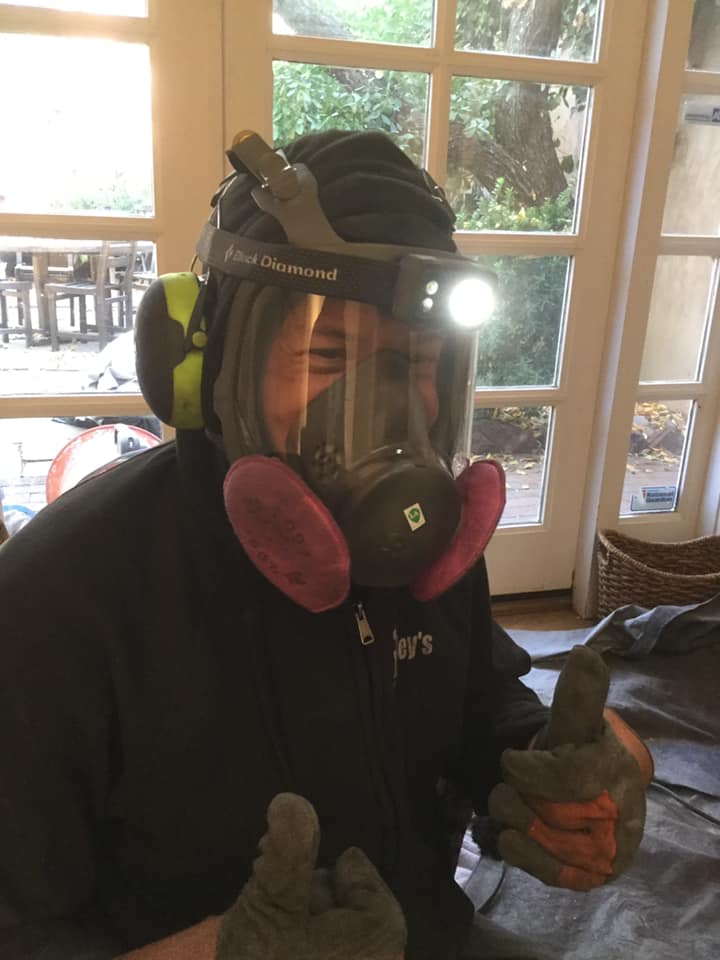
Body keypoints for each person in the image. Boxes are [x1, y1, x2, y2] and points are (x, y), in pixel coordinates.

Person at [0, 129, 652, 960]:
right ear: (205, 364)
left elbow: (477, 706)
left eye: (418, 361)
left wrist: (548, 772)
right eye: (328, 354)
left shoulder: (421, 543)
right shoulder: (56, 603)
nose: (384, 411)